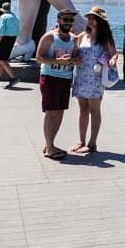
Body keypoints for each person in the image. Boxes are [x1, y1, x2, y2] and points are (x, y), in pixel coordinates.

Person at [71, 6, 119, 154]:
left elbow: (114, 54)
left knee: (94, 111)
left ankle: (92, 144)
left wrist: (113, 61)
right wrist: (74, 59)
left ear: (100, 21)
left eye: (94, 18)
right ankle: (81, 141)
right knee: (83, 110)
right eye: (89, 18)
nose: (90, 20)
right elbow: (75, 54)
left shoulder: (105, 39)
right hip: (81, 77)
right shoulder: (82, 36)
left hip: (96, 78)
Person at [35, 8, 80, 160]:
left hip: (65, 79)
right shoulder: (50, 37)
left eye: (71, 20)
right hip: (50, 77)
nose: (68, 22)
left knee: (60, 111)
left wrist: (74, 60)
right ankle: (49, 148)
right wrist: (57, 61)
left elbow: (75, 57)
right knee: (51, 112)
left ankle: (50, 144)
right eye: (65, 19)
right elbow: (39, 58)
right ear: (58, 20)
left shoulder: (74, 39)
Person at [0, 2, 19, 88]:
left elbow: (1, 30)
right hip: (12, 39)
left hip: (4, 39)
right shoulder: (15, 17)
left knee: (2, 60)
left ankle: (13, 78)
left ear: (3, 10)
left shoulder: (3, 17)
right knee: (3, 60)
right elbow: (18, 29)